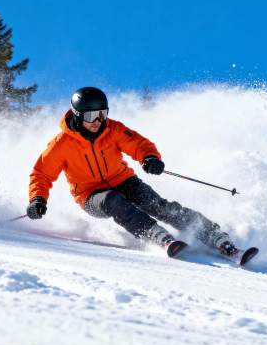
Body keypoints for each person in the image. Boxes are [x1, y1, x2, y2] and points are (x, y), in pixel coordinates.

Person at [26, 86, 240, 257]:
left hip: (124, 180)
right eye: (92, 116)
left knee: (157, 204)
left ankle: (214, 235)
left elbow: (138, 144)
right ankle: (157, 235)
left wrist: (150, 158)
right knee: (114, 201)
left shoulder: (113, 129)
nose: (98, 121)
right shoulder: (61, 144)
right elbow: (41, 174)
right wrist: (37, 199)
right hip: (90, 196)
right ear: (78, 115)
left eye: (103, 114)